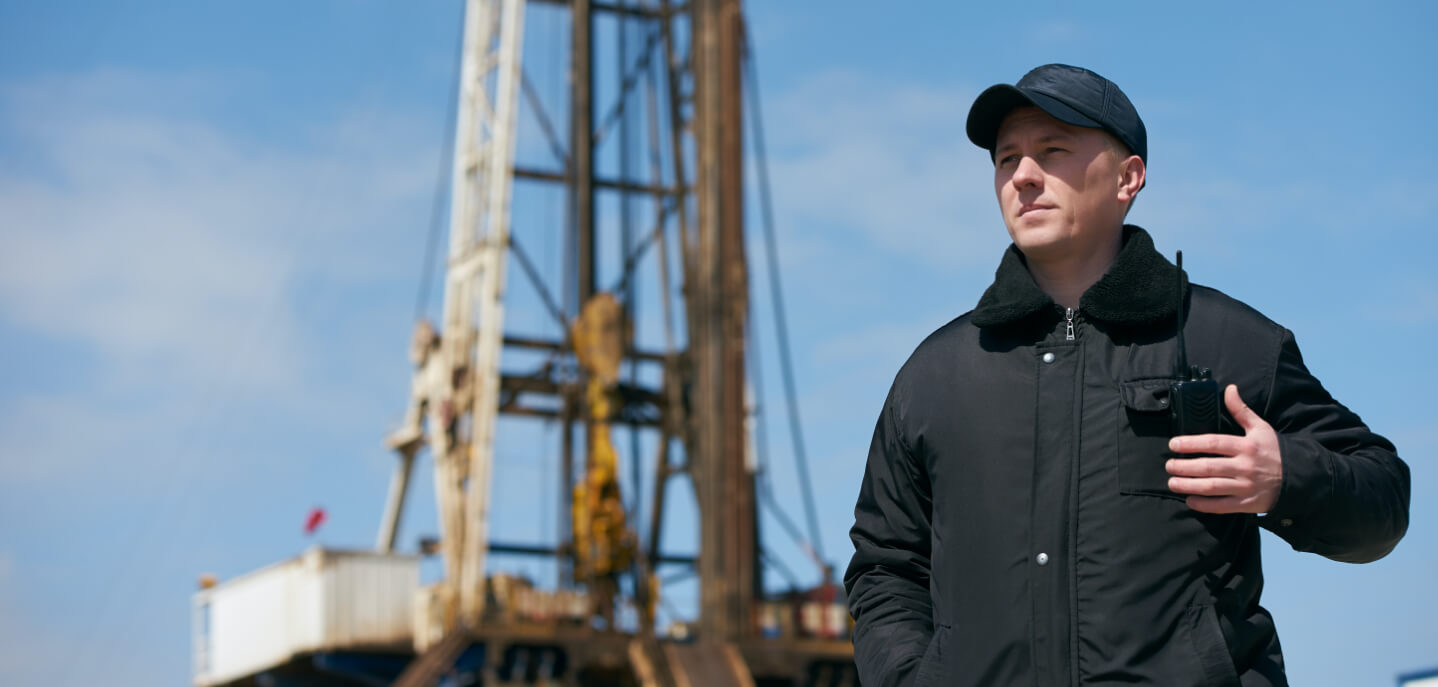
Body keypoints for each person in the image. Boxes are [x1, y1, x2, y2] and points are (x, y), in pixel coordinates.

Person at [843, 64, 1410, 687]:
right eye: (1007, 160)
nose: (1024, 177)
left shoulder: (1231, 343)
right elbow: (884, 568)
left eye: (1052, 150)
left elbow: (1383, 502)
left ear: (1128, 177)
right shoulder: (936, 376)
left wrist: (1285, 478)